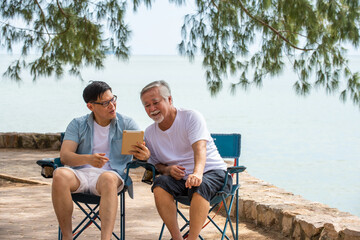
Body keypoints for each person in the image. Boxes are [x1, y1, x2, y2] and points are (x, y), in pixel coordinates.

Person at [52, 81, 149, 240]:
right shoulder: (77, 124)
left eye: (113, 99)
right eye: (105, 103)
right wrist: (88, 159)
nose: (112, 105)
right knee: (59, 174)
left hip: (111, 176)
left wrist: (144, 156)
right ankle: (67, 237)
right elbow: (65, 156)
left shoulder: (127, 123)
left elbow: (141, 156)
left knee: (108, 178)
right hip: (80, 175)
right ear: (90, 106)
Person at [137, 80, 232, 240]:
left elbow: (200, 148)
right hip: (181, 180)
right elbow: (153, 167)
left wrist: (197, 173)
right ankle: (177, 238)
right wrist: (166, 169)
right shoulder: (149, 133)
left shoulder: (190, 117)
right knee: (160, 185)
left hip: (212, 173)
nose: (152, 109)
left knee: (199, 185)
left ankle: (192, 238)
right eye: (147, 105)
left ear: (169, 100)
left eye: (155, 102)